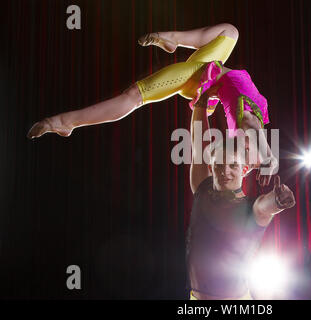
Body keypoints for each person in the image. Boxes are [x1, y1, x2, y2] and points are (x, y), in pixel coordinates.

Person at [26, 23, 277, 185]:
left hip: (201, 77)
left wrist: (266, 158)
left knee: (134, 95)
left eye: (233, 166)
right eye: (239, 167)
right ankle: (172, 39)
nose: (238, 168)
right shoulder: (255, 131)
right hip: (213, 75)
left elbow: (253, 138)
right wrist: (268, 161)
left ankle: (64, 122)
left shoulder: (244, 131)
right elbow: (261, 142)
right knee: (230, 32)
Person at [186, 88, 295, 300]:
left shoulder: (250, 207)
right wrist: (201, 102)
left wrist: (278, 201)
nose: (225, 171)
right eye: (218, 165)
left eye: (233, 166)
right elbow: (198, 144)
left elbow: (265, 207)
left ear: (244, 169)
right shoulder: (203, 189)